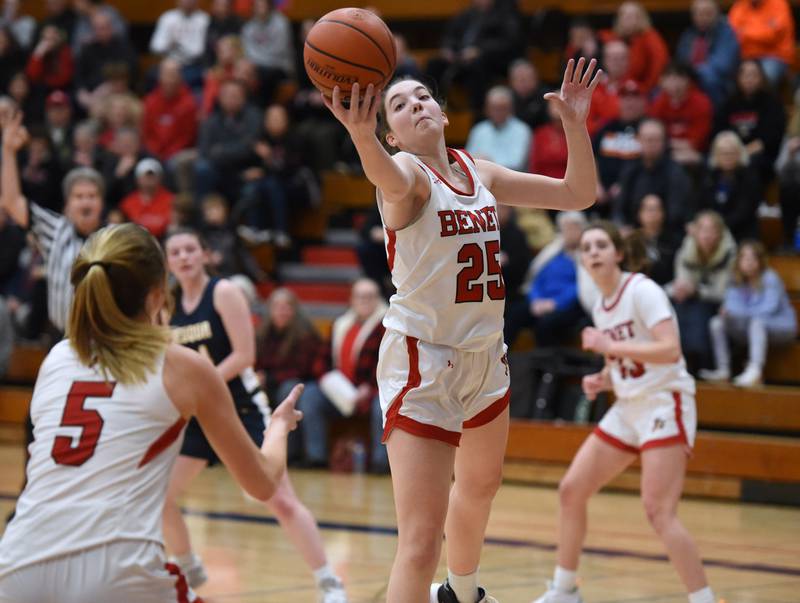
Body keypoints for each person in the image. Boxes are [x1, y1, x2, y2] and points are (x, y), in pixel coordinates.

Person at [322, 56, 601, 603]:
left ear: (444, 113)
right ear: (392, 136)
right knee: (421, 540)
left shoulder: (482, 172)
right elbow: (383, 173)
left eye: (423, 96)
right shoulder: (404, 179)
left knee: (479, 488)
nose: (415, 106)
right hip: (423, 360)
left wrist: (574, 124)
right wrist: (360, 137)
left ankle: (462, 592)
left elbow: (578, 195)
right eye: (398, 106)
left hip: (482, 356)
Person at [0, 222, 303, 602]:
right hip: (115, 570)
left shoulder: (57, 357)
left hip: (16, 562)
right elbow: (261, 483)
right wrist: (277, 427)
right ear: (159, 295)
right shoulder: (183, 366)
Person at [532, 221, 715, 603]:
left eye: (601, 245)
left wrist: (605, 347)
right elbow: (630, 360)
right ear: (582, 260)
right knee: (571, 490)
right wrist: (604, 378)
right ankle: (564, 591)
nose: (593, 252)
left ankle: (704, 599)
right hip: (629, 405)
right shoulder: (601, 305)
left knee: (658, 511)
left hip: (665, 401)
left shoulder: (641, 290)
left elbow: (669, 350)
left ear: (617, 253)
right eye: (586, 248)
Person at [162, 228, 348, 602]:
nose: (183, 257)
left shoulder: (224, 292)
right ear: (168, 261)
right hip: (197, 412)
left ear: (205, 254)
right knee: (160, 493)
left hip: (240, 407)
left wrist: (202, 381)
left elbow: (244, 356)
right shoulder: (168, 304)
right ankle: (187, 562)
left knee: (279, 499)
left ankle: (329, 580)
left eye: (190, 249)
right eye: (176, 252)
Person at [297, 278, 388, 471]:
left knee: (382, 404)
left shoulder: (387, 325)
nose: (365, 300)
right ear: (352, 299)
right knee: (310, 395)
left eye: (370, 296)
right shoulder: (341, 324)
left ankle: (381, 463)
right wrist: (326, 379)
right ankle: (316, 457)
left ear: (378, 298)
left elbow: (388, 364)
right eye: (360, 296)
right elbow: (322, 360)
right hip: (340, 392)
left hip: (372, 390)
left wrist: (370, 388)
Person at [699, 240, 797, 386]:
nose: (749, 262)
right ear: (738, 261)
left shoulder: (770, 278)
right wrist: (729, 313)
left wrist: (734, 312)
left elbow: (768, 309)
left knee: (758, 322)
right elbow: (730, 305)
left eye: (753, 258)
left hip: (781, 326)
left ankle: (755, 370)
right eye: (744, 258)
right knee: (717, 322)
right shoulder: (735, 279)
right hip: (750, 326)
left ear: (760, 260)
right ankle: (723, 369)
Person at [667, 210, 737, 373]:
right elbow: (681, 281)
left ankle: (697, 362)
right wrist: (682, 289)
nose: (707, 235)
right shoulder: (686, 249)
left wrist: (696, 290)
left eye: (712, 230)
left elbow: (723, 293)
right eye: (703, 230)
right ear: (695, 232)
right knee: (677, 306)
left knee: (698, 310)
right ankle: (678, 358)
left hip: (719, 304)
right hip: (691, 299)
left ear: (719, 233)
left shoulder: (730, 253)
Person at [674, 0, 740, 107]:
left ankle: (716, 119)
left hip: (721, 80)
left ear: (717, 14)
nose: (703, 17)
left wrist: (694, 72)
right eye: (699, 13)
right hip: (691, 76)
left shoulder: (726, 32)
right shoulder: (688, 35)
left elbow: (723, 64)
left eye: (708, 13)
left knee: (709, 79)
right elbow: (681, 61)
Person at [697, 131, 760, 240]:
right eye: (723, 153)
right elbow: (701, 206)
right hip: (712, 232)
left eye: (731, 152)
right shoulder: (708, 176)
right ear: (715, 155)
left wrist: (719, 228)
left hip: (741, 232)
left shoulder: (749, 177)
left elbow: (744, 212)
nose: (727, 156)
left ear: (739, 154)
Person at [728, 0, 795, 87]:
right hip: (745, 56)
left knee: (766, 77)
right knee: (727, 74)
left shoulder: (779, 4)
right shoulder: (739, 5)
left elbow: (772, 36)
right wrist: (764, 30)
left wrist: (744, 32)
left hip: (774, 55)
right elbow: (731, 33)